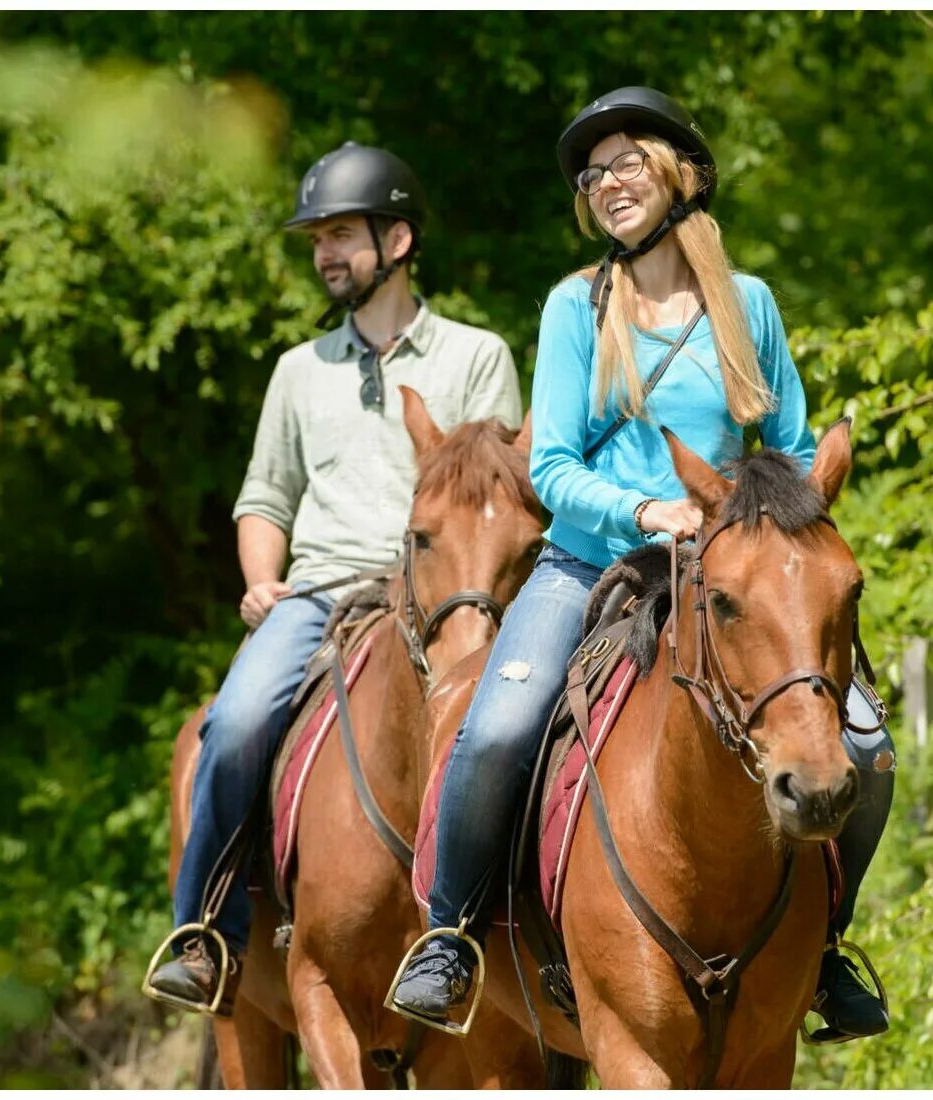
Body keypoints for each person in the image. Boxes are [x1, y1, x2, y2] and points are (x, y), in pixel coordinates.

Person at [388, 87, 894, 1041]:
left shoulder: (747, 305)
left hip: (722, 572)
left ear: (679, 175)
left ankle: (824, 948)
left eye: (625, 162)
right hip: (588, 569)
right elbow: (550, 467)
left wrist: (761, 520)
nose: (606, 182)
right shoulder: (576, 306)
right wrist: (644, 508)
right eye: (592, 173)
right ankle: (451, 935)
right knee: (493, 730)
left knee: (864, 743)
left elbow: (782, 448)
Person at [147, 142, 524, 1011]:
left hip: (440, 598)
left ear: (396, 240)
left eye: (341, 234)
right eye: (316, 238)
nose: (323, 253)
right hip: (316, 593)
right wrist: (258, 579)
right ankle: (205, 932)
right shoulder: (295, 372)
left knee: (518, 731)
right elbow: (263, 497)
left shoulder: (474, 356)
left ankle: (527, 933)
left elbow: (498, 494)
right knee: (234, 723)